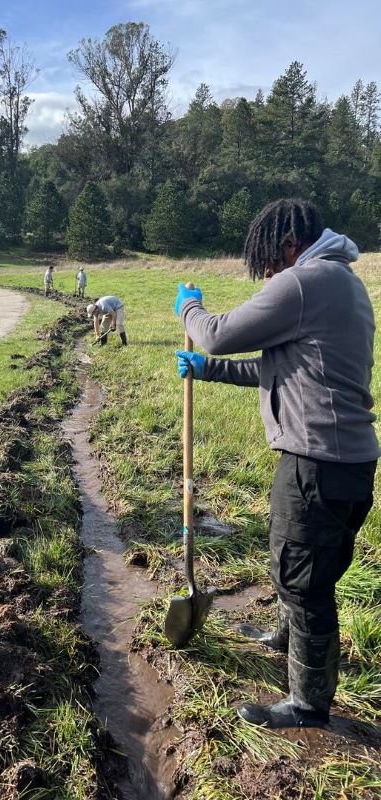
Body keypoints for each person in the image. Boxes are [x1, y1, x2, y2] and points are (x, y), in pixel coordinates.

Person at [174, 198, 378, 730]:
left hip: (317, 461)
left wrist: (189, 310)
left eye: (268, 259)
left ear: (291, 245)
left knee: (305, 581)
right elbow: (280, 368)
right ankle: (285, 637)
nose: (266, 272)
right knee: (301, 565)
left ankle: (308, 706)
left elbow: (215, 332)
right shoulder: (343, 284)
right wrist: (207, 370)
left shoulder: (305, 282)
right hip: (342, 462)